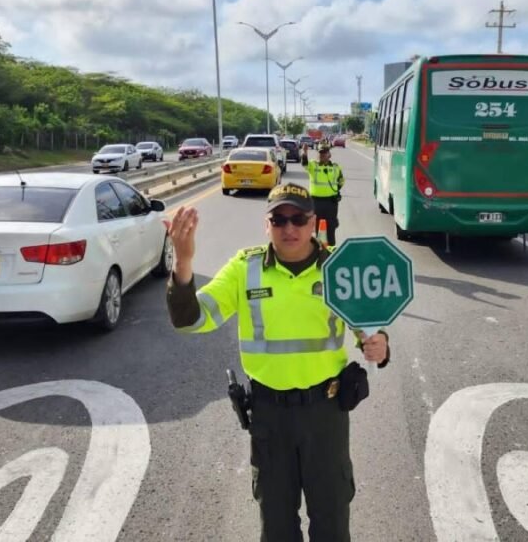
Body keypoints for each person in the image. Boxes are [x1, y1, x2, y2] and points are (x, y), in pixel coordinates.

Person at [165, 182, 390, 542]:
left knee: (332, 523)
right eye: (279, 219)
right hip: (270, 417)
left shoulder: (339, 266)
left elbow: (369, 328)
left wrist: (379, 345)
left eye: (298, 219)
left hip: (325, 414)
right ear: (266, 225)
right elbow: (190, 319)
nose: (289, 228)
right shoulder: (245, 268)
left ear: (313, 222)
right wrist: (184, 261)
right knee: (277, 527)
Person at [301, 142, 345, 246]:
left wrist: (335, 191)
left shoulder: (335, 167)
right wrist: (304, 152)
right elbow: (304, 164)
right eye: (320, 153)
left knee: (331, 227)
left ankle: (331, 250)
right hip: (316, 202)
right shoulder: (313, 165)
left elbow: (341, 181)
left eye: (325, 153)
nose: (322, 155)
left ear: (329, 154)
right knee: (318, 228)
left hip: (331, 202)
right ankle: (319, 249)